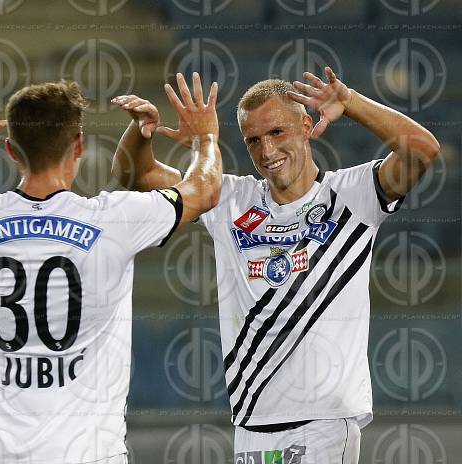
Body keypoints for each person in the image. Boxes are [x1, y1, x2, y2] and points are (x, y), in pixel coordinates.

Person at [111, 67, 440, 463]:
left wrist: (350, 102)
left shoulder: (353, 195)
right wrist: (141, 133)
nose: (266, 151)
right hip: (251, 423)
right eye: (253, 140)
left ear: (306, 125)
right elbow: (134, 174)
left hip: (323, 424)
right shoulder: (228, 199)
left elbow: (422, 149)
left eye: (276, 133)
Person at [0, 73, 222, 464]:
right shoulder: (113, 221)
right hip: (88, 453)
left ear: (10, 150)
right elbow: (205, 190)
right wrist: (205, 138)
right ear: (79, 146)